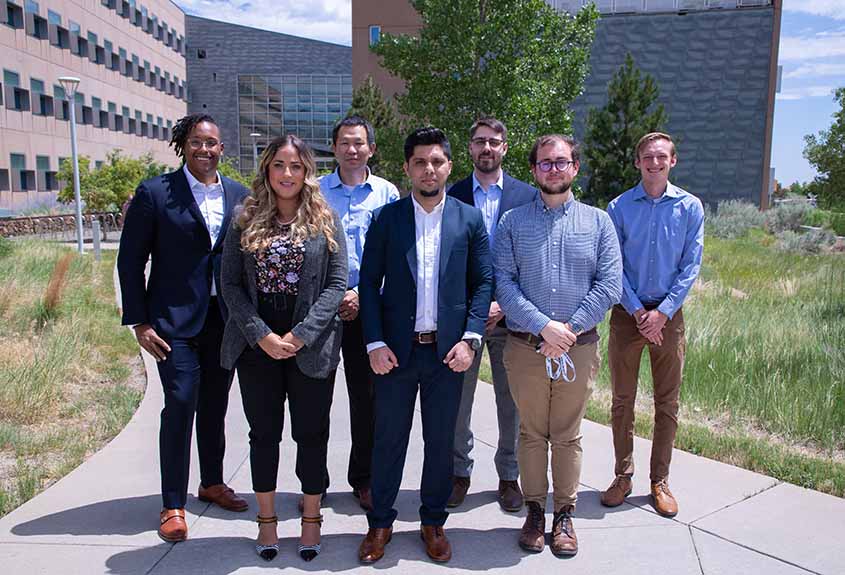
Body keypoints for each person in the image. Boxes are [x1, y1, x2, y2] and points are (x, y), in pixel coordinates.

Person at [357, 127, 492, 564]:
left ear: (449, 166)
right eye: (420, 162)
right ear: (407, 168)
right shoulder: (387, 218)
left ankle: (433, 522)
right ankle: (380, 523)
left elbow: (482, 282)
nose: (429, 169)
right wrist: (374, 342)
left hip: (447, 355)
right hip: (396, 353)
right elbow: (368, 283)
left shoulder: (469, 219)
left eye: (437, 161)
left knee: (440, 442)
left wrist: (471, 339)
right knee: (388, 440)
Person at [117, 114, 249, 543]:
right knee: (180, 402)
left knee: (215, 405)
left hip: (224, 320)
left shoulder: (240, 196)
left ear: (222, 149)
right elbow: (130, 260)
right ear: (183, 145)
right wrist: (138, 321)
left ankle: (211, 481)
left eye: (212, 142)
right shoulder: (156, 193)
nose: (204, 149)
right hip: (173, 322)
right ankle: (172, 503)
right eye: (196, 142)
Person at [219, 135, 347, 562]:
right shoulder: (244, 218)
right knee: (264, 436)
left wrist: (301, 335)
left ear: (307, 171)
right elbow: (230, 284)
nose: (287, 174)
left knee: (312, 434)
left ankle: (312, 520)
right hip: (258, 345)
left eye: (295, 166)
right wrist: (260, 334)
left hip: (309, 345)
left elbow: (336, 284)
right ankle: (267, 522)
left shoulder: (326, 218)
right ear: (267, 171)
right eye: (279, 165)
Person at [495, 134, 621, 557]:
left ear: (575, 168)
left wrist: (567, 331)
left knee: (567, 435)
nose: (553, 169)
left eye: (561, 162)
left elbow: (609, 285)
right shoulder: (512, 222)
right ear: (533, 170)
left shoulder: (599, 222)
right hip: (526, 347)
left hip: (578, 348)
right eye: (545, 163)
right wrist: (544, 326)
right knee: (531, 433)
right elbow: (504, 285)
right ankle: (534, 511)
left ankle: (564, 513)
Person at [602, 132, 704, 518]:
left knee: (667, 403)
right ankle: (622, 476)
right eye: (648, 156)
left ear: (673, 161)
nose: (655, 163)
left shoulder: (690, 207)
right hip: (628, 316)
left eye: (662, 157)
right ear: (637, 162)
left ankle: (659, 481)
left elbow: (690, 266)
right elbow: (613, 265)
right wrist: (637, 311)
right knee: (622, 402)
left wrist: (661, 312)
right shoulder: (619, 207)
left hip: (669, 317)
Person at [447, 117, 537, 511]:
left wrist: (503, 304)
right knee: (457, 402)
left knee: (511, 400)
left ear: (505, 147)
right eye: (480, 141)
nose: (487, 148)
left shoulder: (527, 195)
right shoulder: (452, 194)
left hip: (510, 315)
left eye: (494, 142)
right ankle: (458, 473)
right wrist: (473, 308)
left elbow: (531, 258)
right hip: (465, 318)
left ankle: (508, 476)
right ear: (469, 148)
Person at [319, 115, 400, 511]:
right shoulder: (314, 192)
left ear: (371, 148)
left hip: (370, 311)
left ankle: (363, 478)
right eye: (345, 143)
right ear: (334, 148)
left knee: (366, 401)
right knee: (313, 398)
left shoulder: (387, 194)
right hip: (322, 311)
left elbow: (395, 255)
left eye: (359, 143)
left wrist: (362, 296)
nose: (352, 149)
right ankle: (313, 483)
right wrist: (336, 296)